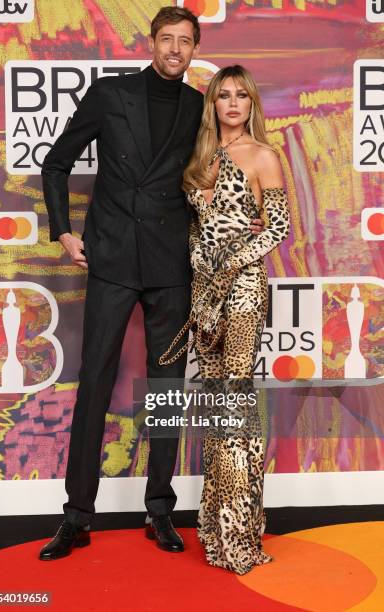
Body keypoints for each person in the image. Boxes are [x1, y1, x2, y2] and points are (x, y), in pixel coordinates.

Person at [39, 7, 264, 561]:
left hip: (172, 267)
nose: (176, 50)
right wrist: (65, 234)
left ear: (194, 49)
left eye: (187, 42)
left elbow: (223, 171)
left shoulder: (200, 110)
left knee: (167, 393)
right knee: (94, 381)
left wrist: (251, 215)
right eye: (168, 39)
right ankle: (76, 515)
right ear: (152, 41)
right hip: (112, 258)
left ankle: (160, 509)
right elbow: (56, 162)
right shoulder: (111, 95)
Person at [182, 65, 290, 574]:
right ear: (213, 103)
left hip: (243, 291)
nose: (231, 103)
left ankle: (238, 533)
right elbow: (201, 224)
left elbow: (278, 230)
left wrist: (232, 259)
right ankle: (216, 524)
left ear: (252, 104)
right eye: (222, 95)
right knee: (217, 406)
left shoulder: (264, 156)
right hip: (203, 296)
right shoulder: (200, 156)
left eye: (240, 95)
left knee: (234, 405)